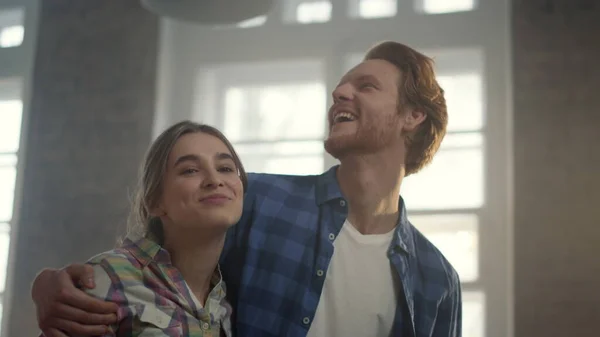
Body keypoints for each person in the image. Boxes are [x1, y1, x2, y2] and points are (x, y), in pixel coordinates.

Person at [32, 41, 461, 337]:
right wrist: (51, 283)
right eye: (341, 85)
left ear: (413, 117)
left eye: (365, 86)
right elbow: (159, 271)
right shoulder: (255, 200)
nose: (339, 92)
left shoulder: (437, 279)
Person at [35, 121, 247, 336]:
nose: (215, 180)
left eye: (225, 168)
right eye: (190, 170)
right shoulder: (111, 278)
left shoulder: (223, 303)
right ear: (154, 202)